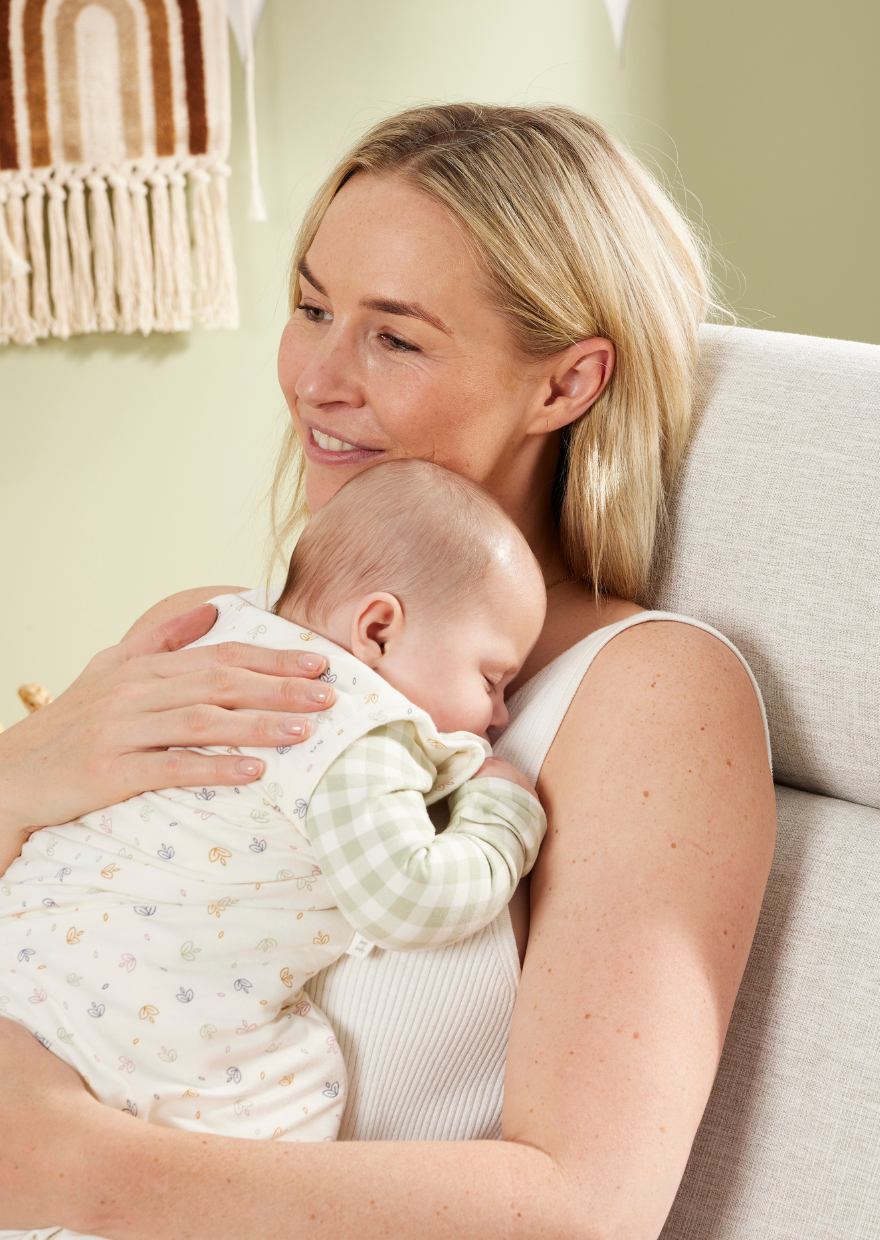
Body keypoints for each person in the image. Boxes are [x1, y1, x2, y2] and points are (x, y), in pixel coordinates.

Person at [0, 102, 776, 1240]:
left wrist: (74, 1166)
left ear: (565, 384)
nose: (316, 378)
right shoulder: (218, 631)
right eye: (313, 308)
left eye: (395, 338)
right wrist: (18, 775)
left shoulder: (648, 695)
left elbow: (586, 1210)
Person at [0, 458, 548, 1155]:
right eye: (492, 678)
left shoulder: (217, 634)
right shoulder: (354, 727)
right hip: (128, 1030)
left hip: (25, 961)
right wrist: (503, 816)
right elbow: (409, 897)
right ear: (379, 629)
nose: (500, 714)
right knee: (281, 1100)